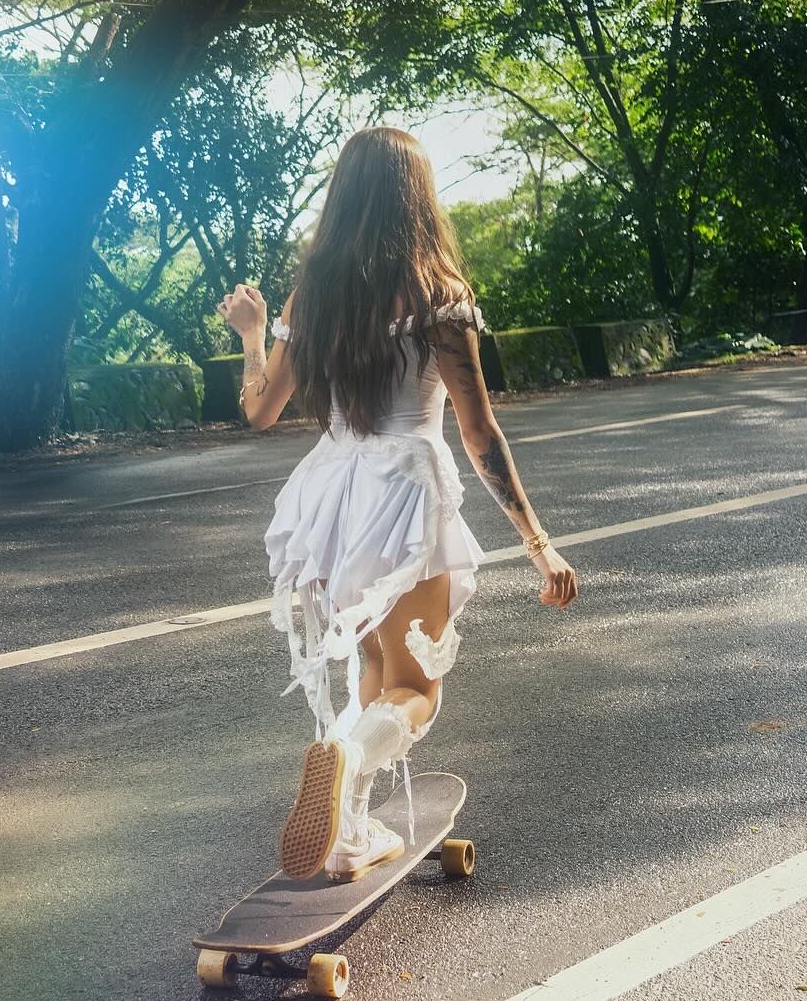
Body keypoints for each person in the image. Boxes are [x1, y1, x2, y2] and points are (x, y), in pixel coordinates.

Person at [216, 126, 578, 883]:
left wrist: (253, 336)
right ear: (419, 198)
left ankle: (348, 832)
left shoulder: (310, 296)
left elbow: (258, 411)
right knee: (415, 690)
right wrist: (538, 541)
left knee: (375, 674)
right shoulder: (438, 298)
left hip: (330, 493)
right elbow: (480, 432)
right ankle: (344, 760)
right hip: (404, 491)